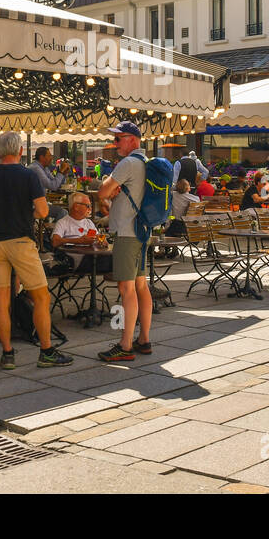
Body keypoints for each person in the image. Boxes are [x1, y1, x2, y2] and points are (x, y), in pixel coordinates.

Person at [0, 131, 72, 370]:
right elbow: (43, 211)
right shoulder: (28, 176)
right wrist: (29, 214)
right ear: (20, 151)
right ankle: (46, 350)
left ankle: (7, 353)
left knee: (1, 299)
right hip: (21, 242)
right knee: (40, 296)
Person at [95, 121, 155, 363]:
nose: (115, 144)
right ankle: (144, 339)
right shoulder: (146, 163)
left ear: (132, 139)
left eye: (118, 139)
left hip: (127, 233)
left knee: (126, 288)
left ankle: (125, 344)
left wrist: (111, 184)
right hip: (142, 231)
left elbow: (102, 191)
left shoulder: (128, 163)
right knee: (141, 286)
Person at [51, 192, 109, 269]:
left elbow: (99, 238)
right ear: (76, 207)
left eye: (90, 206)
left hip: (91, 256)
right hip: (74, 259)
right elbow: (55, 241)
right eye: (87, 206)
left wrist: (102, 241)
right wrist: (79, 240)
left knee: (116, 257)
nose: (90, 209)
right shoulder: (63, 222)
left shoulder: (88, 222)